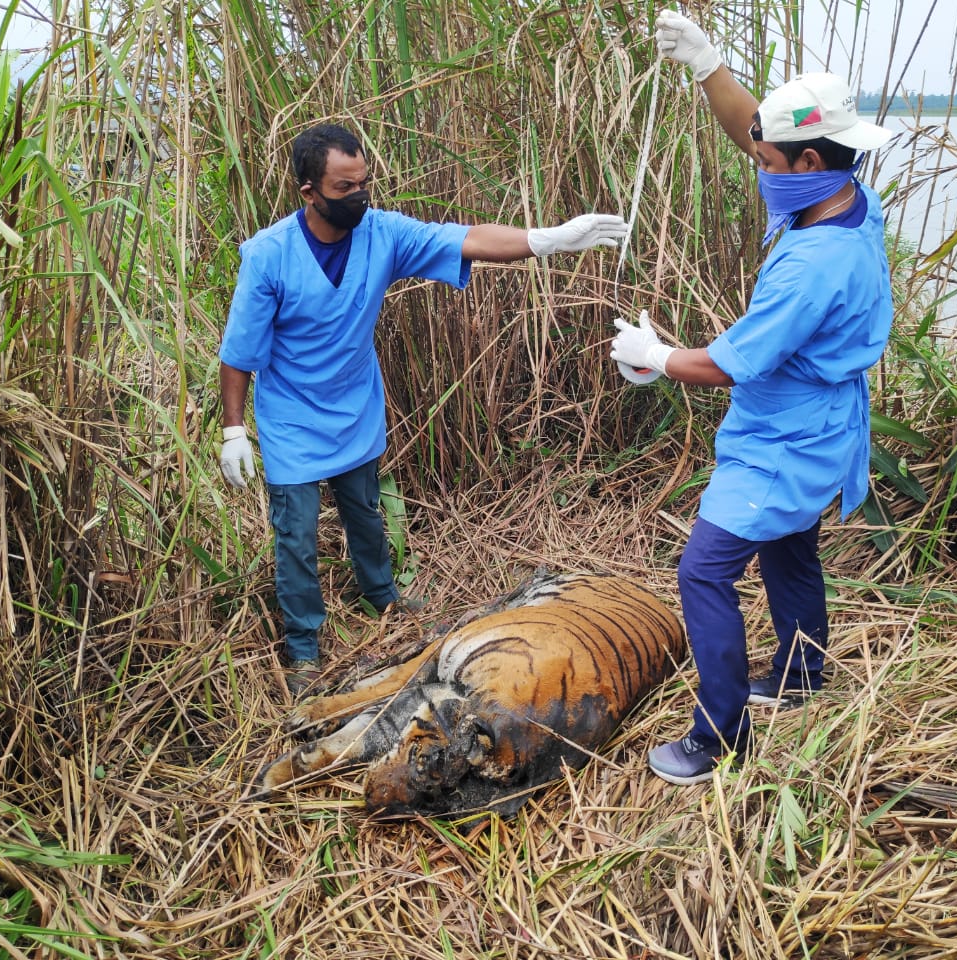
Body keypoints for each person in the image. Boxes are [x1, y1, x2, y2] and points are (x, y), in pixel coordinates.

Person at [219, 123, 628, 696]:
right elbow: (238, 354)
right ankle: (303, 647)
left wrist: (548, 240)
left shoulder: (381, 233)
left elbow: (466, 240)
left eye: (364, 184)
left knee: (364, 510)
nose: (359, 197)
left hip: (355, 403)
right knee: (296, 534)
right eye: (344, 188)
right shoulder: (268, 257)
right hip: (291, 417)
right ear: (308, 191)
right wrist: (233, 429)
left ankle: (383, 597)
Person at [610, 10, 895, 784]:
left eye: (767, 161)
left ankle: (716, 736)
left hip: (787, 435)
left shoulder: (814, 266)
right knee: (788, 543)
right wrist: (708, 66)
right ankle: (802, 675)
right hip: (818, 422)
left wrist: (657, 356)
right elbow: (758, 134)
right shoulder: (841, 197)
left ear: (806, 162)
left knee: (704, 569)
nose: (755, 165)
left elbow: (733, 363)